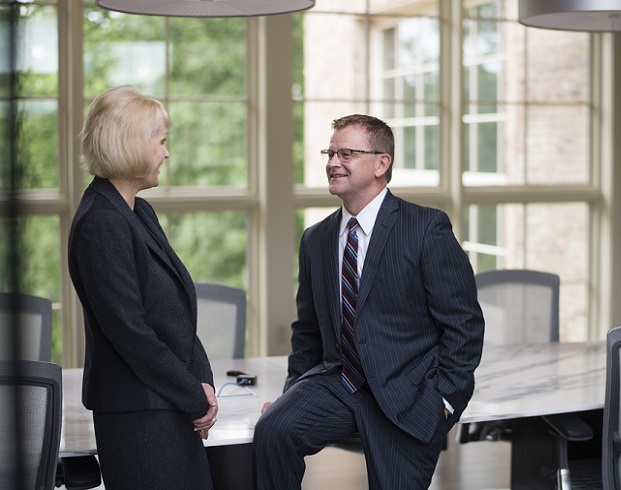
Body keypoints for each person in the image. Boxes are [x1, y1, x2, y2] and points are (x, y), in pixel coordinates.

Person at [254, 114, 485, 489]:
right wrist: (290, 394)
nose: (332, 163)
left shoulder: (426, 228)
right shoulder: (316, 239)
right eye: (330, 153)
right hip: (338, 383)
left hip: (407, 392)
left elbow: (465, 324)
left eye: (346, 153)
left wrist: (445, 400)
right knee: (272, 430)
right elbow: (308, 331)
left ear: (382, 163)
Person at [68, 86, 217, 489]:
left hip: (165, 403)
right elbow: (131, 333)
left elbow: (176, 314)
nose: (166, 153)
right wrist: (193, 396)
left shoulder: (137, 211)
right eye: (161, 141)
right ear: (132, 144)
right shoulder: (102, 222)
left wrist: (203, 385)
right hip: (138, 414)